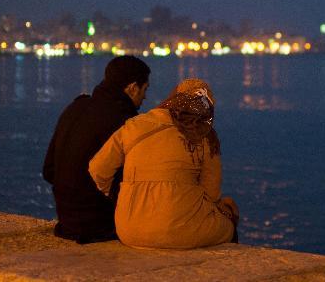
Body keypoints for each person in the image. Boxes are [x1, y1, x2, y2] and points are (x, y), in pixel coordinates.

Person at [88, 78, 239, 249]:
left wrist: (127, 194)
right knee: (229, 220)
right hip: (181, 232)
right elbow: (212, 194)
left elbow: (97, 169)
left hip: (129, 231)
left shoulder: (135, 125)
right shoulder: (203, 135)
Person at [42, 55, 151, 243]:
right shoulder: (126, 123)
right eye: (144, 90)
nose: (145, 97)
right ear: (132, 88)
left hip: (66, 222)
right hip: (100, 226)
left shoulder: (75, 108)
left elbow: (49, 171)